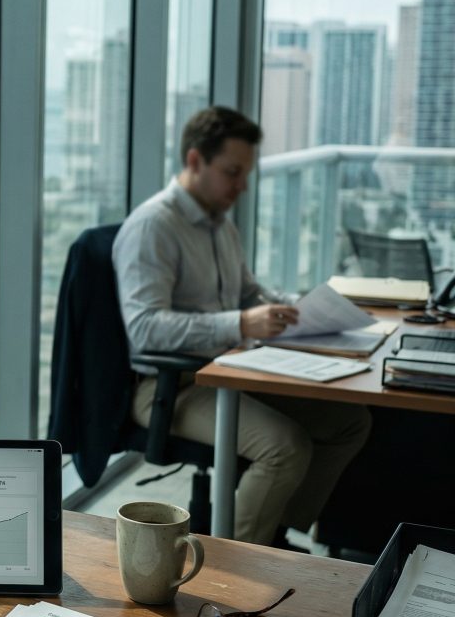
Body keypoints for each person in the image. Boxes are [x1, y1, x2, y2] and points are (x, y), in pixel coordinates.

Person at [113, 106, 371, 547]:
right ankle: (234, 565)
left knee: (348, 422)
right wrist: (239, 323)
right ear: (195, 161)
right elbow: (146, 329)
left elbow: (250, 293)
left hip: (231, 371)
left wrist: (306, 308)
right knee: (285, 446)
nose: (242, 186)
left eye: (245, 173)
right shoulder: (153, 227)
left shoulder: (219, 225)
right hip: (171, 387)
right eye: (233, 172)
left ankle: (271, 532)